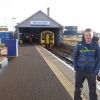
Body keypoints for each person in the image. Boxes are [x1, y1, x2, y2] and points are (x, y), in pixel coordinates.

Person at [73, 28, 100, 100]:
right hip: (80, 71)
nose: (88, 37)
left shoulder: (96, 46)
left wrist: (96, 71)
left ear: (92, 35)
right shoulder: (79, 44)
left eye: (89, 35)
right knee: (77, 90)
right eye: (86, 35)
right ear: (84, 36)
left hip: (91, 72)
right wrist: (76, 67)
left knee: (93, 91)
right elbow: (74, 56)